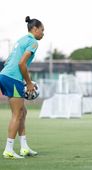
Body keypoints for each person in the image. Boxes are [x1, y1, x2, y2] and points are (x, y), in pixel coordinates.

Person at [0, 16, 44, 159]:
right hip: (12, 78)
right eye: (42, 30)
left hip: (6, 75)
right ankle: (9, 150)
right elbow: (21, 63)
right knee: (17, 114)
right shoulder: (33, 42)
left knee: (22, 112)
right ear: (35, 29)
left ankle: (24, 148)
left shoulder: (21, 40)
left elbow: (9, 60)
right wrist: (29, 83)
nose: (43, 33)